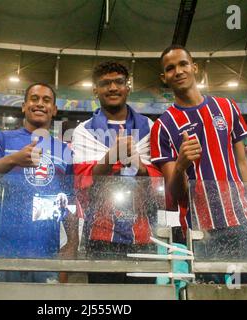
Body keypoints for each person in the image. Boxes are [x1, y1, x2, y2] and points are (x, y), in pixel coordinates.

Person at [150, 45, 247, 284]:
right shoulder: (163, 126)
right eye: (170, 68)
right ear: (164, 78)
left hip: (241, 221)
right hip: (200, 230)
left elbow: (243, 166)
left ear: (195, 67)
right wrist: (181, 165)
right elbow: (175, 193)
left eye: (183, 64)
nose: (178, 71)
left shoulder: (227, 108)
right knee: (208, 293)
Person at [0, 83, 78, 283]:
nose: (40, 104)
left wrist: (73, 242)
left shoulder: (64, 151)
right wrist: (13, 160)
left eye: (46, 100)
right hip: (0, 252)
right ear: (24, 106)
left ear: (54, 110)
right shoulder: (2, 139)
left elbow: (69, 199)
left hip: (46, 254)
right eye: (34, 99)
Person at [72, 61, 162, 284]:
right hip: (100, 236)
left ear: (127, 86)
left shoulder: (149, 127)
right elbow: (83, 182)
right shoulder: (84, 131)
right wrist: (113, 156)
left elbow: (158, 182)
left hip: (143, 235)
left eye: (118, 82)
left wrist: (138, 165)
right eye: (105, 83)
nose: (112, 88)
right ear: (95, 90)